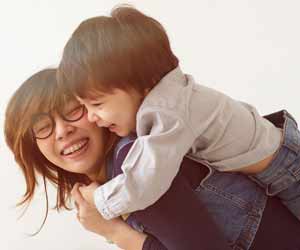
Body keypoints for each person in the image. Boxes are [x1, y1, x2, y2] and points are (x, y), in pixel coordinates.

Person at [5, 69, 300, 250]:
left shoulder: (136, 164)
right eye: (43, 127)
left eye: (72, 110)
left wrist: (114, 233)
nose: (62, 130)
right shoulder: (112, 181)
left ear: (96, 109)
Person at [57, 5, 300, 223]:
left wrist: (99, 199)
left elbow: (145, 182)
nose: (90, 117)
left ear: (144, 83)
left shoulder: (169, 112)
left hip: (289, 172)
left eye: (97, 104)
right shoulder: (171, 96)